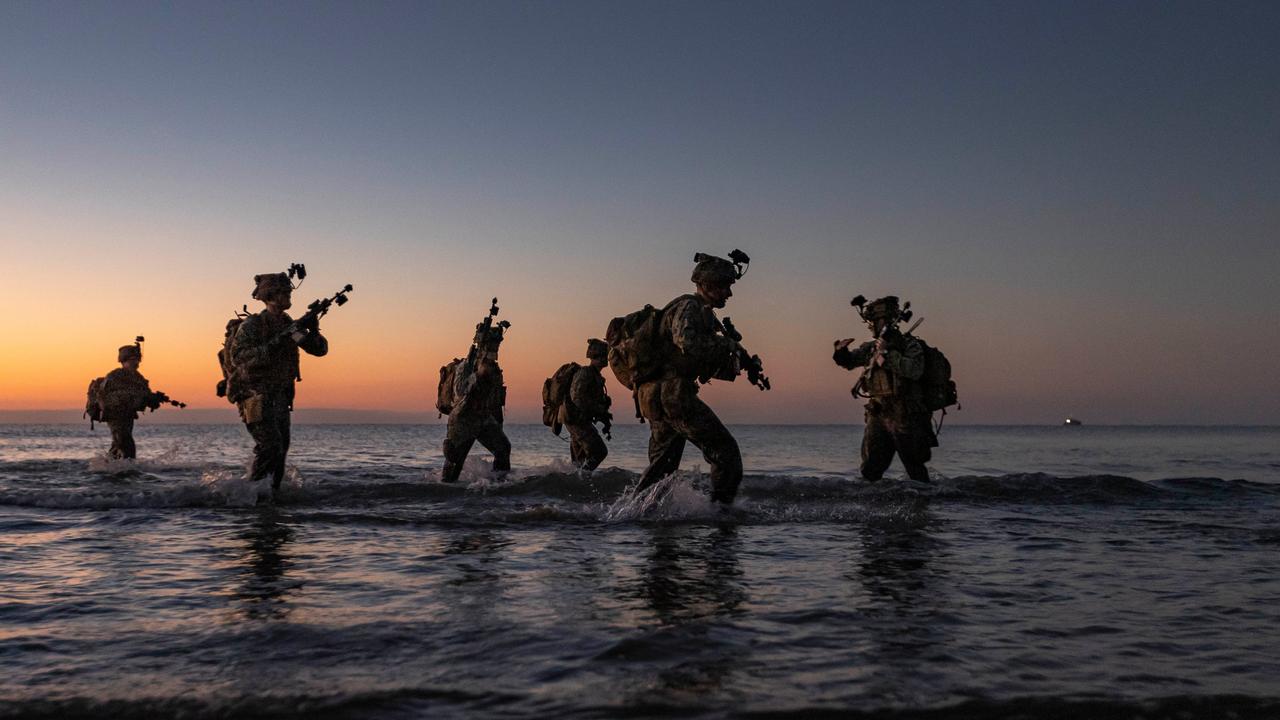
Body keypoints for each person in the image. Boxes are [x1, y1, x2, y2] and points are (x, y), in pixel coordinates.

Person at [634, 252, 749, 506]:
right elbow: (686, 342)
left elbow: (690, 360)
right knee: (726, 454)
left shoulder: (703, 313)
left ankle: (636, 515)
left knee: (661, 470)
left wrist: (735, 363)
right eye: (725, 286)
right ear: (707, 284)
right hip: (673, 397)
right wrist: (726, 345)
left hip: (659, 397)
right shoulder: (690, 307)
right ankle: (721, 515)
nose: (729, 294)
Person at [229, 271, 328, 494]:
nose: (288, 296)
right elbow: (239, 358)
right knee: (269, 446)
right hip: (253, 396)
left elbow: (319, 350)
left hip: (280, 397)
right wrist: (276, 343)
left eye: (289, 291)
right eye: (284, 292)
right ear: (271, 296)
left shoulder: (289, 325)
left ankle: (272, 495)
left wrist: (313, 329)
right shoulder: (253, 325)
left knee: (281, 449)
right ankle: (251, 494)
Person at [833, 295, 937, 482]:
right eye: (871, 321)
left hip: (905, 413)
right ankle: (873, 507)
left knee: (915, 469)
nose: (873, 325)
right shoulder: (872, 348)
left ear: (888, 320)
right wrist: (840, 352)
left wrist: (889, 354)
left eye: (876, 321)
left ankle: (923, 505)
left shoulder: (908, 344)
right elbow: (850, 362)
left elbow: (914, 370)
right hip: (878, 412)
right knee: (871, 469)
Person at [441, 322, 511, 483]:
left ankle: (499, 486)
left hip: (483, 419)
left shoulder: (493, 369)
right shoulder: (467, 365)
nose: (495, 349)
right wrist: (477, 377)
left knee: (503, 449)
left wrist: (497, 422)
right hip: (463, 420)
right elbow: (459, 392)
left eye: (496, 345)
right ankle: (444, 498)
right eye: (492, 345)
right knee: (454, 464)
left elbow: (495, 400)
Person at [98, 341, 167, 459]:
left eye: (137, 359)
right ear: (124, 361)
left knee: (118, 445)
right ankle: (125, 470)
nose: (136, 363)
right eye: (132, 359)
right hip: (115, 415)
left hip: (127, 416)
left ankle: (108, 468)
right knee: (126, 444)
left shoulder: (138, 377)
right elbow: (105, 396)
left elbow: (145, 394)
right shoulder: (115, 376)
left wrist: (154, 400)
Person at [560, 339, 612, 473]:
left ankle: (577, 483)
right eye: (602, 356)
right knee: (599, 452)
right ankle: (584, 478)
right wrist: (598, 408)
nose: (605, 359)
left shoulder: (595, 375)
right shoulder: (586, 373)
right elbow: (577, 398)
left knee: (579, 460)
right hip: (576, 420)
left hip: (579, 420)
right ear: (594, 357)